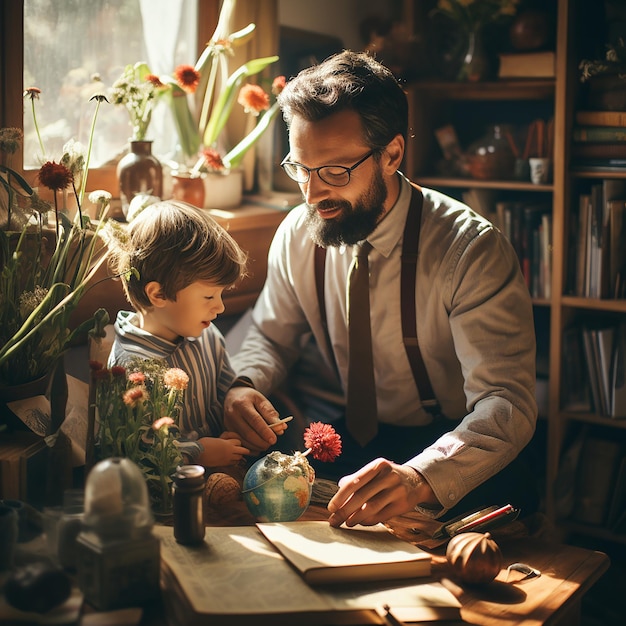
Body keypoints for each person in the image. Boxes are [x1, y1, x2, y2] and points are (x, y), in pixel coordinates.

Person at [224, 50, 538, 527]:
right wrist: (243, 384)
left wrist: (421, 476)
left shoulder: (471, 251)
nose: (311, 195)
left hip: (453, 451)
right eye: (300, 169)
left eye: (333, 172)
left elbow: (505, 403)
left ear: (391, 154)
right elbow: (270, 333)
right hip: (350, 444)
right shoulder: (297, 232)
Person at [107, 200, 273, 469]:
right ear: (158, 294)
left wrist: (236, 427)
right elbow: (134, 449)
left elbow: (225, 394)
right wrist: (197, 452)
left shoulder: (206, 334)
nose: (219, 306)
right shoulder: (131, 367)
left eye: (220, 294)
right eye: (209, 296)